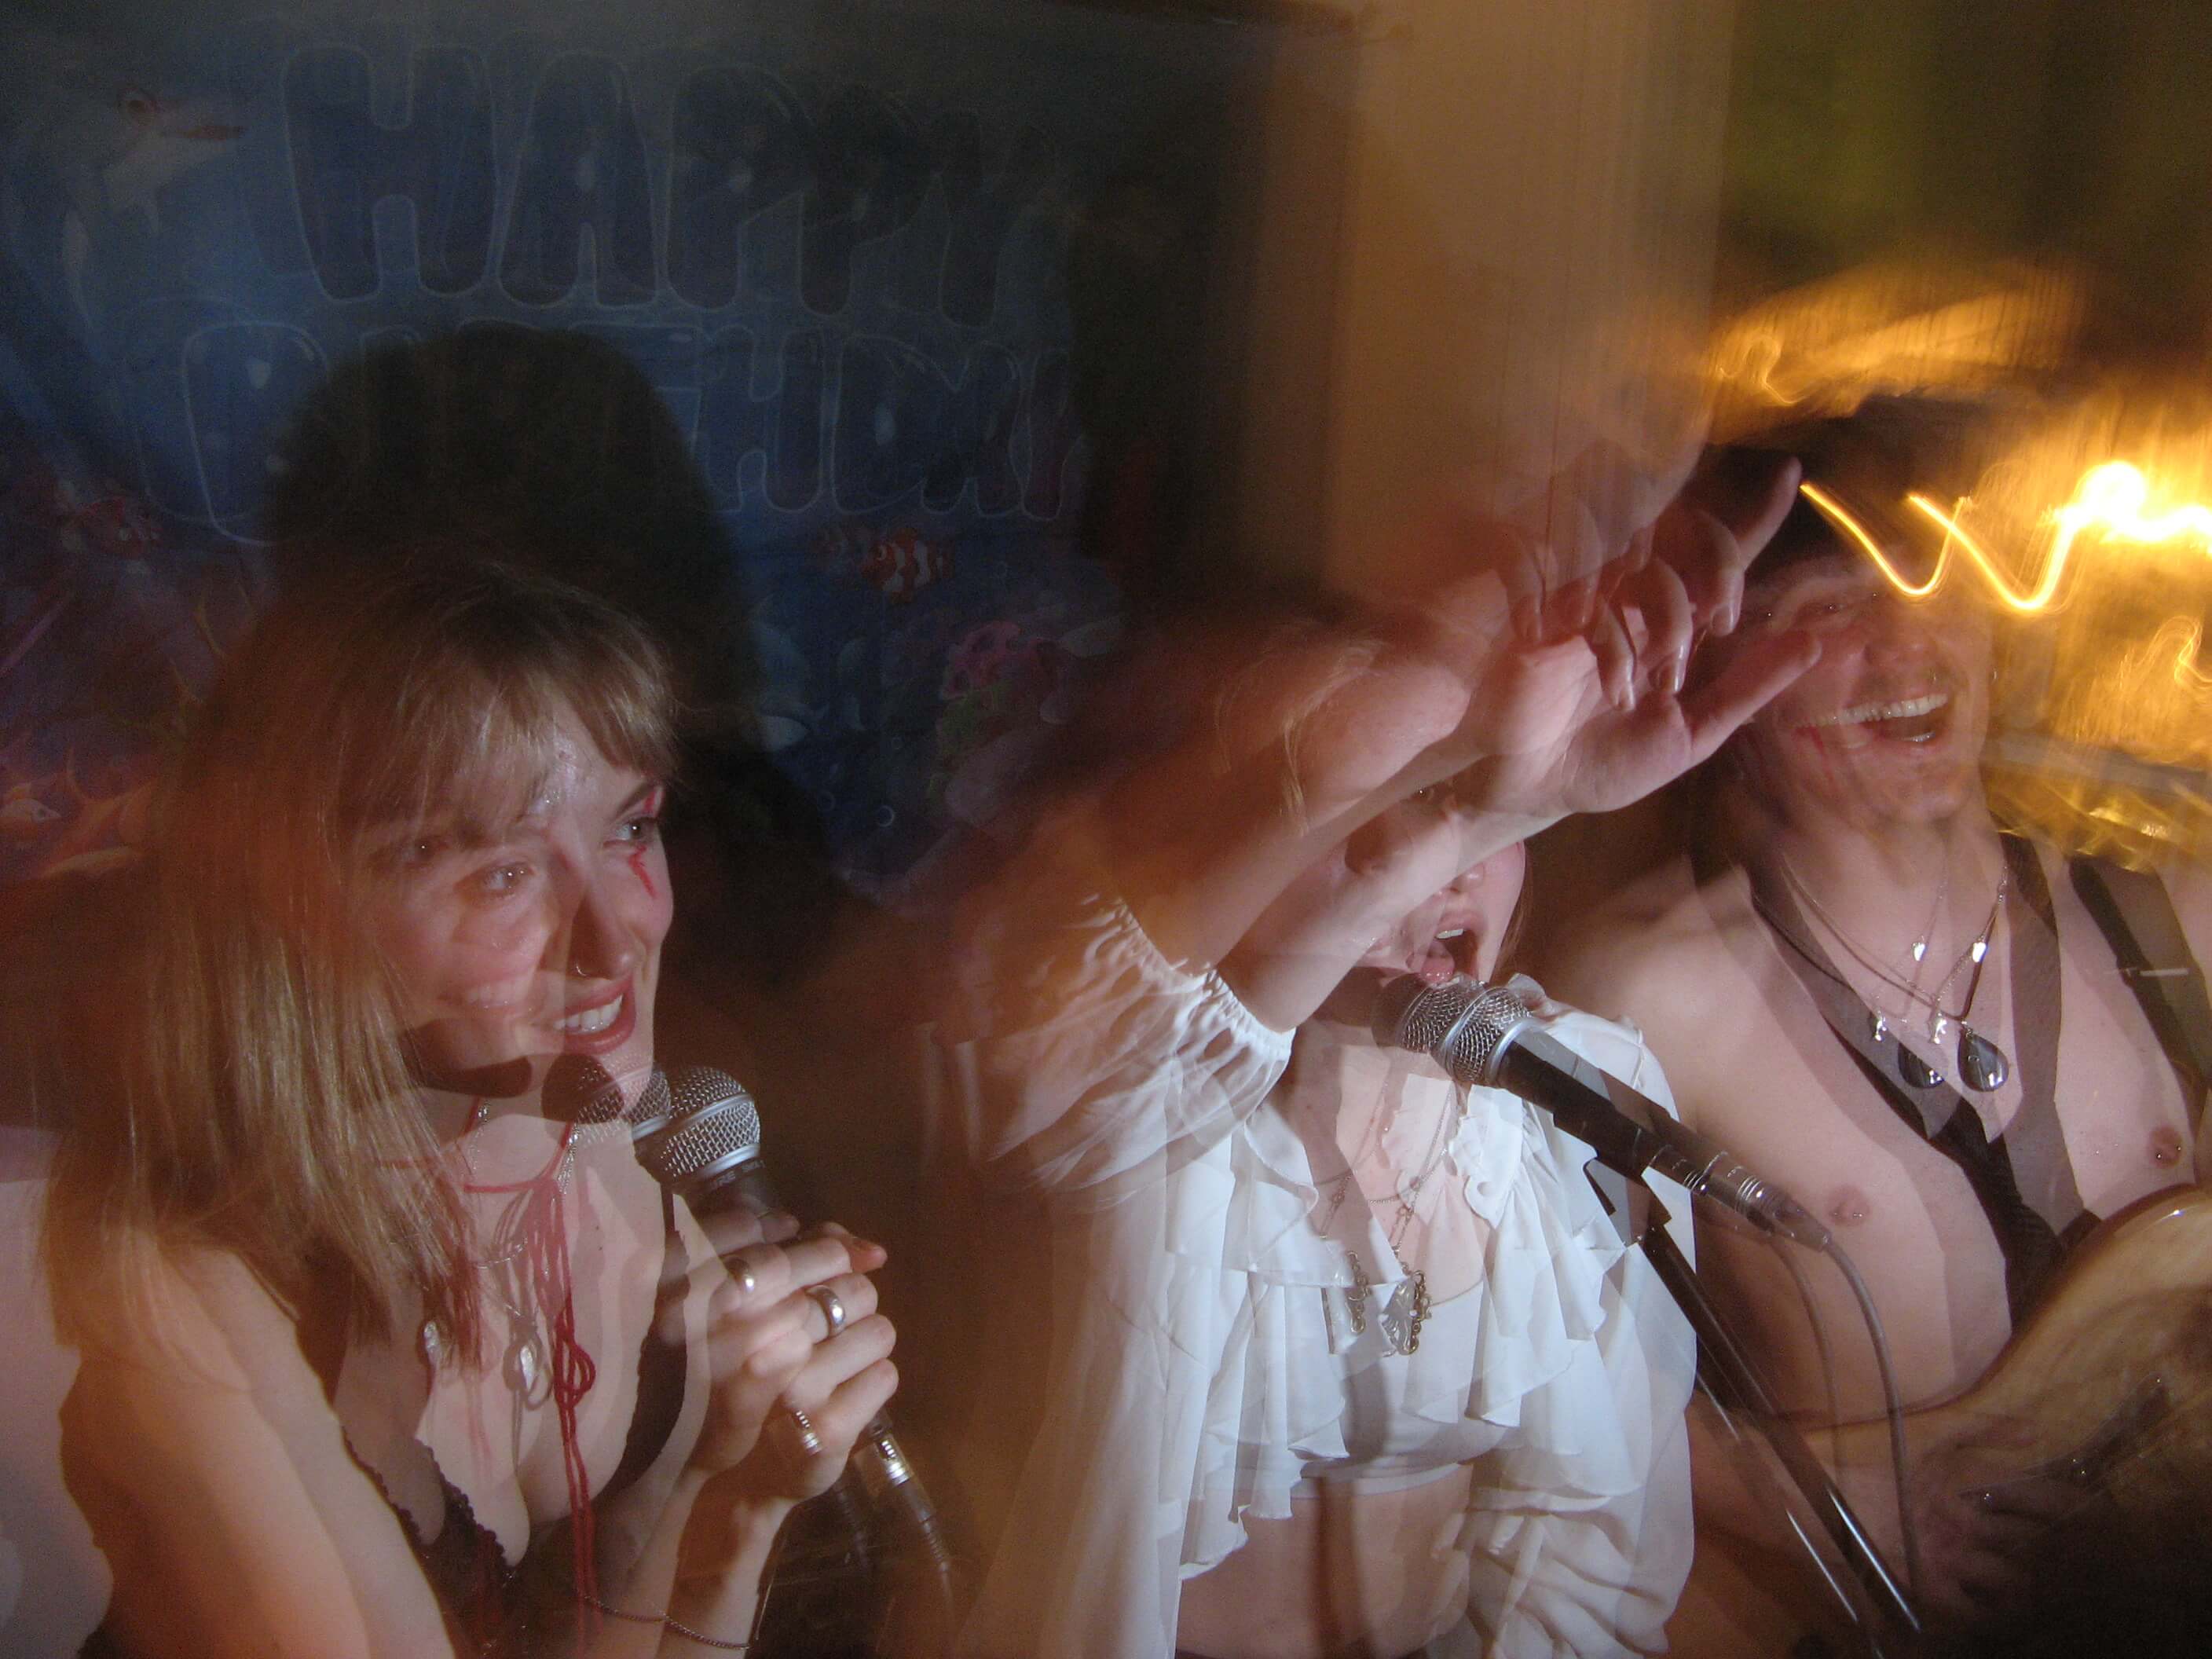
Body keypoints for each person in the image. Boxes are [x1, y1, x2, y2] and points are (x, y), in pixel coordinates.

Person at [930, 447, 1816, 1657]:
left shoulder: (1567, 1099)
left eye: (1486, 813)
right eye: (1373, 817)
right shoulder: (1155, 1120)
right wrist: (1459, 807)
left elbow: (1589, 1550)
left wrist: (1496, 801)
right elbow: (1088, 1066)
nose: (1438, 878)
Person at [35, 556, 899, 1657]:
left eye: (631, 829)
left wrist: (741, 1514)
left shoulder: (611, 1160)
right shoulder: (191, 1293)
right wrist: (673, 1482)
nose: (618, 937)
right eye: (501, 874)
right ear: (305, 916)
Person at [1542, 440, 2212, 1646]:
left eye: (1936, 582)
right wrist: (1801, 1500)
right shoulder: (1651, 997)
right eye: (1829, 611)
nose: (1905, 646)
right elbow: (1511, 1370)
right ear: (1732, 680)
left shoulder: (2181, 928)